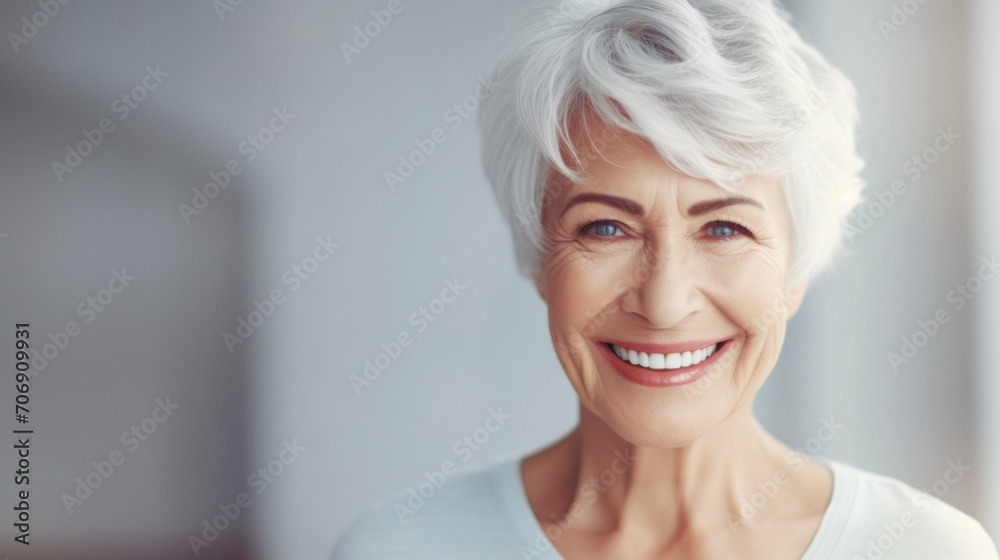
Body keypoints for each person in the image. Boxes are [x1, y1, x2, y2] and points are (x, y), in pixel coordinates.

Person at [331, 0, 1000, 557]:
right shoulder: (399, 547)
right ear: (540, 257)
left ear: (796, 269)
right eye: (605, 228)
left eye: (725, 229)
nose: (665, 301)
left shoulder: (927, 549)